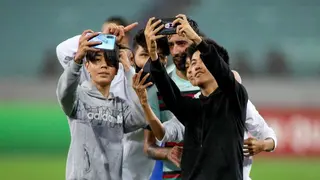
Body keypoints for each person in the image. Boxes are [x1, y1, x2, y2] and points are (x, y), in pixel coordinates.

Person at [146, 14, 248, 180]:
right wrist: (154, 57)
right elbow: (172, 97)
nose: (195, 67)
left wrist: (194, 38)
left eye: (201, 60)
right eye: (192, 63)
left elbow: (221, 71)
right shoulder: (194, 107)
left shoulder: (233, 98)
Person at [56, 29, 147, 180]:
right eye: (97, 60)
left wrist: (128, 70)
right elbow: (64, 92)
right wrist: (77, 58)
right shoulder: (78, 97)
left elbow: (141, 119)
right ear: (87, 66)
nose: (104, 66)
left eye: (109, 62)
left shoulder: (120, 106)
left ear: (116, 69)